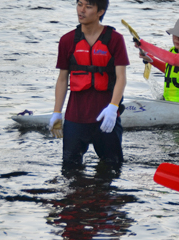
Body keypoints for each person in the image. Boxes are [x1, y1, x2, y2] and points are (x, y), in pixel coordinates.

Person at [48, 0, 129, 167]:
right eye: (79, 4)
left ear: (100, 12)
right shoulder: (67, 40)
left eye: (88, 6)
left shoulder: (115, 39)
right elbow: (62, 78)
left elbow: (121, 77)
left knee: (112, 168)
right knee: (70, 170)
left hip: (106, 117)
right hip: (75, 117)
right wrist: (57, 112)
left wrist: (113, 108)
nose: (81, 10)